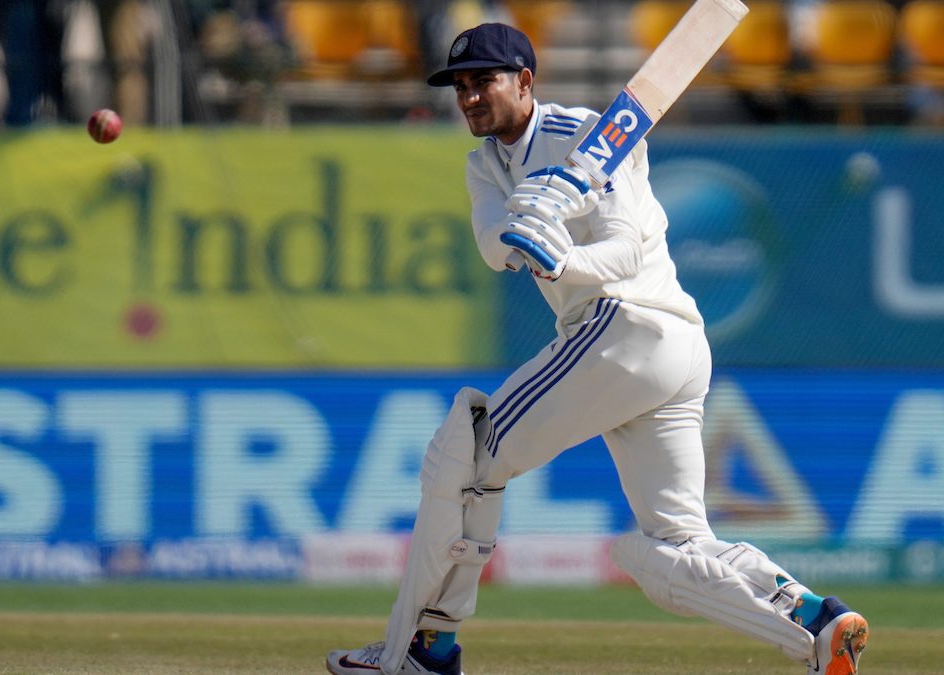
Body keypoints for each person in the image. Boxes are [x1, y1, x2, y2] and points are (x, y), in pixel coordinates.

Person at [326, 22, 869, 675]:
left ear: (525, 81)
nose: (469, 97)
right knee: (664, 552)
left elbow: (626, 250)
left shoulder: (584, 136)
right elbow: (495, 243)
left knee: (463, 455)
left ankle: (422, 651)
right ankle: (812, 619)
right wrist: (524, 235)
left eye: (484, 82)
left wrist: (562, 258)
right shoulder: (484, 164)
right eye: (461, 86)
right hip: (663, 350)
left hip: (627, 323)